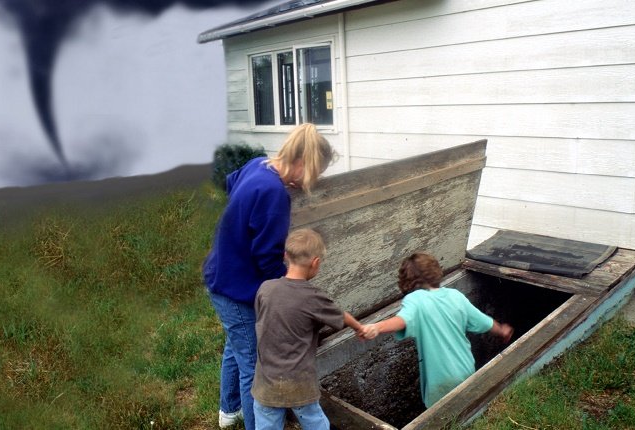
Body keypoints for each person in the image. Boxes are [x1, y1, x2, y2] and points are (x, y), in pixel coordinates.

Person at [203, 124, 337, 429]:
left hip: (221, 273)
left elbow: (228, 184)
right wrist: (291, 290)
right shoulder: (274, 194)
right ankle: (254, 422)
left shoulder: (257, 166)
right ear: (302, 162)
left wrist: (236, 224)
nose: (307, 183)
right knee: (255, 365)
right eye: (311, 175)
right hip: (237, 287)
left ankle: (229, 412)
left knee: (235, 346)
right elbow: (268, 256)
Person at [360, 252, 514, 408]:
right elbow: (485, 322)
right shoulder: (456, 296)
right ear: (435, 272)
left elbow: (402, 320)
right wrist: (502, 330)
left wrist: (376, 327)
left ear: (407, 282)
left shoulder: (416, 299)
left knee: (441, 419)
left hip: (440, 380)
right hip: (465, 370)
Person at [252, 228, 363, 430]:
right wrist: (360, 328)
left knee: (267, 425)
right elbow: (340, 316)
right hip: (299, 383)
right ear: (316, 263)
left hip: (265, 382)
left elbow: (262, 318)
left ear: (285, 256)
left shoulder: (265, 289)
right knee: (314, 421)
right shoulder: (313, 297)